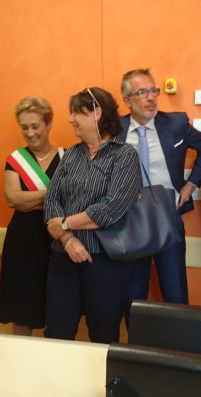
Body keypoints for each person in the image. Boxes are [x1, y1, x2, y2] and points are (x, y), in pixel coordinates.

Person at [44, 87, 141, 344]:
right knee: (57, 333)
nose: (70, 119)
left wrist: (65, 224)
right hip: (63, 257)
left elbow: (111, 209)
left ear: (97, 112)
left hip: (105, 261)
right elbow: (51, 199)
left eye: (77, 112)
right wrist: (67, 240)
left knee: (103, 334)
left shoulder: (125, 155)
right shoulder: (71, 155)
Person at [120, 68, 201, 305]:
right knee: (133, 294)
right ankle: (134, 331)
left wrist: (191, 185)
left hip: (168, 218)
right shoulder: (114, 129)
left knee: (175, 292)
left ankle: (179, 331)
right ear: (127, 100)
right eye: (142, 92)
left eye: (154, 91)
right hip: (129, 222)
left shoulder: (175, 123)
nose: (151, 97)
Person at [0, 97, 63, 336]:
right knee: (22, 305)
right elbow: (13, 199)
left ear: (48, 124)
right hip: (22, 240)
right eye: (24, 127)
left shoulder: (67, 157)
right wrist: (53, 195)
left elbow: (74, 200)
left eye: (35, 126)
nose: (30, 133)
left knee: (57, 304)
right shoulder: (15, 160)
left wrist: (30, 200)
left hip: (58, 239)